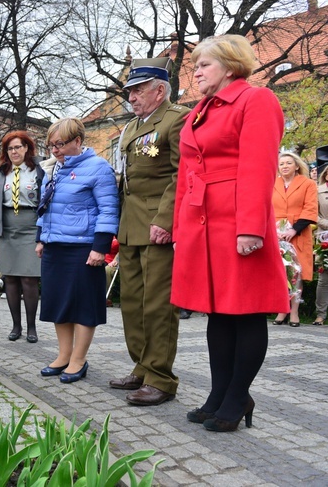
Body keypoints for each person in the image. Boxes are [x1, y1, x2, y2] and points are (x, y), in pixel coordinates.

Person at [172, 34, 289, 432]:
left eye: (203, 65)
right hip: (200, 220)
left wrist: (251, 227)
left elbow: (260, 166)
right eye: (196, 66)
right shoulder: (198, 111)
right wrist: (179, 229)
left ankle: (238, 396)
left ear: (229, 65)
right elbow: (187, 173)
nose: (197, 72)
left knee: (247, 310)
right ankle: (219, 394)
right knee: (218, 312)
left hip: (236, 219)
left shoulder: (256, 100)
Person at [110, 57, 190, 406]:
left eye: (138, 90)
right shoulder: (131, 128)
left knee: (158, 304)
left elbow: (180, 173)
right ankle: (142, 366)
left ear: (160, 90)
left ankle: (161, 377)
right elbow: (126, 180)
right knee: (132, 303)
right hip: (130, 225)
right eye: (129, 91)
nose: (132, 97)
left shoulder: (177, 119)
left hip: (158, 224)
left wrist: (166, 220)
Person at [36, 117, 119, 384]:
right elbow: (44, 206)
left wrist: (100, 248)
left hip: (84, 247)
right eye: (51, 145)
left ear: (78, 141)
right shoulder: (53, 169)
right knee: (58, 303)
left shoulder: (99, 168)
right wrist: (41, 237)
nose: (55, 150)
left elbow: (108, 210)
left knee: (83, 306)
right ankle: (64, 355)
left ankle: (79, 359)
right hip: (54, 245)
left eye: (59, 144)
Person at [0, 131, 44, 342]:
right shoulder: (1, 174)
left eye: (18, 147)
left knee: (29, 279)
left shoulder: (39, 170)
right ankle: (16, 326)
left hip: (31, 228)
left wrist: (44, 234)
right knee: (10, 278)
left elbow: (47, 201)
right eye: (10, 148)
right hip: (6, 229)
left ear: (27, 148)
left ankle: (31, 327)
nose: (14, 151)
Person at [272, 152, 317, 327]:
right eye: (281, 163)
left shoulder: (308, 184)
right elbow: (266, 207)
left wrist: (294, 229)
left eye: (288, 163)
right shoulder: (273, 183)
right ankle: (281, 309)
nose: (284, 166)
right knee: (279, 272)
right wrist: (273, 229)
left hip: (298, 232)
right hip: (275, 232)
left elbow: (310, 208)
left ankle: (294, 312)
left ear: (296, 165)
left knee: (296, 273)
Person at [315, 167, 328, 326]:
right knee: (324, 278)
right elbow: (313, 213)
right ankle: (320, 314)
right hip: (325, 237)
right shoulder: (318, 191)